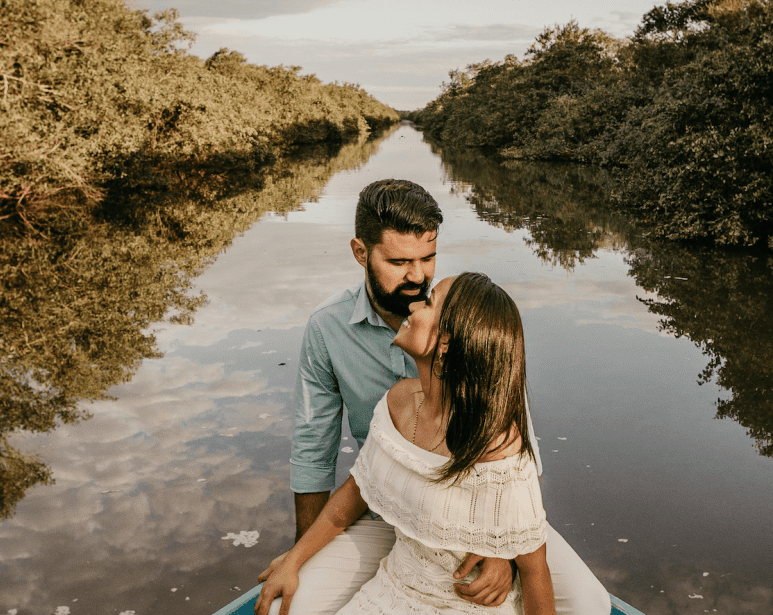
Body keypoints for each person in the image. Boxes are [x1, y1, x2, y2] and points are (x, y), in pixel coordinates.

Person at [260, 179, 610, 614]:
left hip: (478, 514)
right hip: (387, 509)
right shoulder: (328, 328)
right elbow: (314, 448)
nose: (418, 276)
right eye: (399, 261)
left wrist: (500, 548)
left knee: (590, 601)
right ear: (360, 252)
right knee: (290, 604)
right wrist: (303, 554)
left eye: (428, 258)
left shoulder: (461, 320)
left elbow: (513, 444)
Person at [256, 273, 554, 615]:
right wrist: (293, 561)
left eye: (427, 303)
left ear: (445, 342)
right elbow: (354, 493)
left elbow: (535, 572)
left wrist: (503, 554)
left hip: (467, 603)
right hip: (395, 585)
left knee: (589, 600)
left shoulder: (496, 443)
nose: (413, 304)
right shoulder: (396, 402)